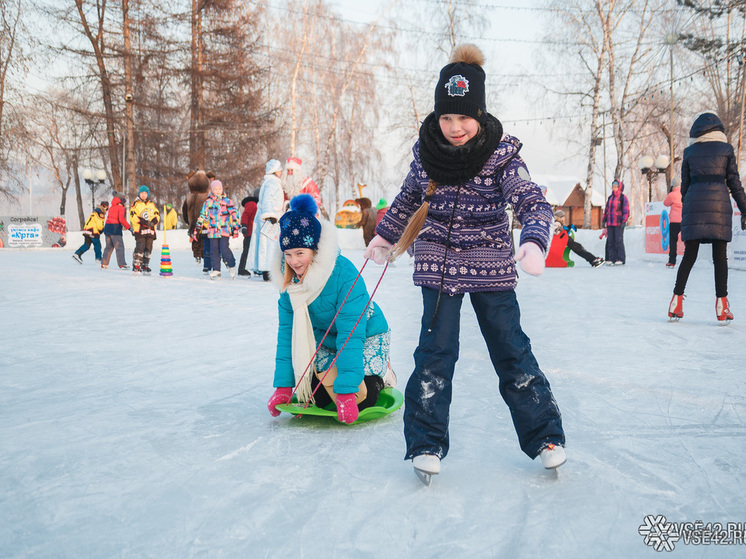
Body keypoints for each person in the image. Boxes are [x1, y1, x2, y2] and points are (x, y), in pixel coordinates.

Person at [364, 44, 566, 480]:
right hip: (437, 264)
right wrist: (385, 235)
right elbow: (407, 199)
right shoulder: (426, 153)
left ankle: (545, 435)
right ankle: (426, 443)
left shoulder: (502, 155)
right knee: (434, 354)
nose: (455, 127)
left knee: (511, 350)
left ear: (480, 113)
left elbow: (530, 200)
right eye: (446, 117)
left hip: (491, 263)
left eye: (464, 117)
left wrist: (534, 240)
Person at [266, 194, 394, 424]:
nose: (294, 262)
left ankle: (381, 374)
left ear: (314, 251)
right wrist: (283, 387)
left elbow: (350, 335)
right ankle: (339, 377)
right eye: (288, 255)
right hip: (326, 339)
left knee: (363, 399)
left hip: (365, 336)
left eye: (300, 253)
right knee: (318, 398)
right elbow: (287, 336)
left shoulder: (343, 276)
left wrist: (345, 392)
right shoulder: (290, 285)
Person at [668, 112, 746, 322]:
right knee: (720, 258)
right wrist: (744, 208)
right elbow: (734, 183)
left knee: (689, 256)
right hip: (719, 207)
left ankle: (676, 301)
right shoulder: (726, 150)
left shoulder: (689, 152)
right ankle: (722, 307)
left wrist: (690, 206)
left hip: (694, 206)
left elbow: (684, 187)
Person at [194, 179, 239, 279]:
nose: (218, 191)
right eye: (215, 189)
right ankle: (216, 270)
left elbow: (234, 214)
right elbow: (202, 215)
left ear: (222, 189)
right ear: (212, 190)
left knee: (224, 248)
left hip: (224, 230)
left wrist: (235, 227)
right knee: (213, 250)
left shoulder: (227, 201)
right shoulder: (208, 202)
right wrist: (197, 229)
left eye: (219, 189)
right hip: (212, 230)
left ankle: (231, 264)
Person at [248, 159, 285, 281]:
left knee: (269, 245)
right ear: (275, 171)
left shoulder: (271, 182)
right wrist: (270, 215)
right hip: (269, 218)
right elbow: (268, 199)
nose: (281, 172)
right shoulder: (272, 183)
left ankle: (268, 270)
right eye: (280, 170)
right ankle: (267, 271)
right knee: (268, 245)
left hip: (270, 217)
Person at [130, 185, 160, 275]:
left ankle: (145, 265)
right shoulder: (136, 204)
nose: (143, 195)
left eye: (145, 193)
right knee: (140, 246)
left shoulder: (151, 204)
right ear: (139, 194)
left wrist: (153, 221)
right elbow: (133, 216)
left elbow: (157, 214)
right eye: (142, 193)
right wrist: (143, 222)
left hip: (150, 229)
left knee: (148, 247)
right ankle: (136, 265)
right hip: (140, 229)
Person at [602, 179, 629, 265]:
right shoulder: (610, 198)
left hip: (618, 223)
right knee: (611, 241)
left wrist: (624, 220)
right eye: (613, 186)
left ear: (619, 188)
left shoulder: (623, 198)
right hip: (610, 223)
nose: (614, 188)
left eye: (616, 187)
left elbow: (626, 210)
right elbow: (606, 210)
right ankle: (611, 258)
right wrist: (604, 220)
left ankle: (620, 258)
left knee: (618, 241)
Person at [101, 195, 130, 269]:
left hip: (107, 227)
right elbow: (121, 219)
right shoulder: (120, 208)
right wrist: (129, 227)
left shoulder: (111, 207)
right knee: (119, 247)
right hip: (115, 228)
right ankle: (122, 264)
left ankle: (104, 264)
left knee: (109, 247)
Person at [663, 177, 682, 268]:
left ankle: (672, 260)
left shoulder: (672, 195)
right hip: (684, 220)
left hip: (674, 221)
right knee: (687, 240)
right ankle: (689, 258)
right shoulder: (685, 193)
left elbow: (665, 203)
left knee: (673, 241)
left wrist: (670, 192)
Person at [237, 194, 258, 276]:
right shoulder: (252, 204)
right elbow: (245, 215)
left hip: (253, 232)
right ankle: (241, 269)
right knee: (247, 251)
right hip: (249, 232)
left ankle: (256, 269)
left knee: (253, 251)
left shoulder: (255, 204)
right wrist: (244, 226)